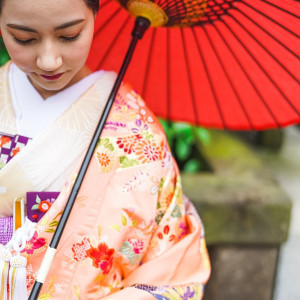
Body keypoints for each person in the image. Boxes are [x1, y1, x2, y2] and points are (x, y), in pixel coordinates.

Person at [0, 0, 210, 299]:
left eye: (69, 35)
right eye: (24, 38)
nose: (48, 61)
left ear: (95, 12)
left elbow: (174, 271)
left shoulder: (134, 133)